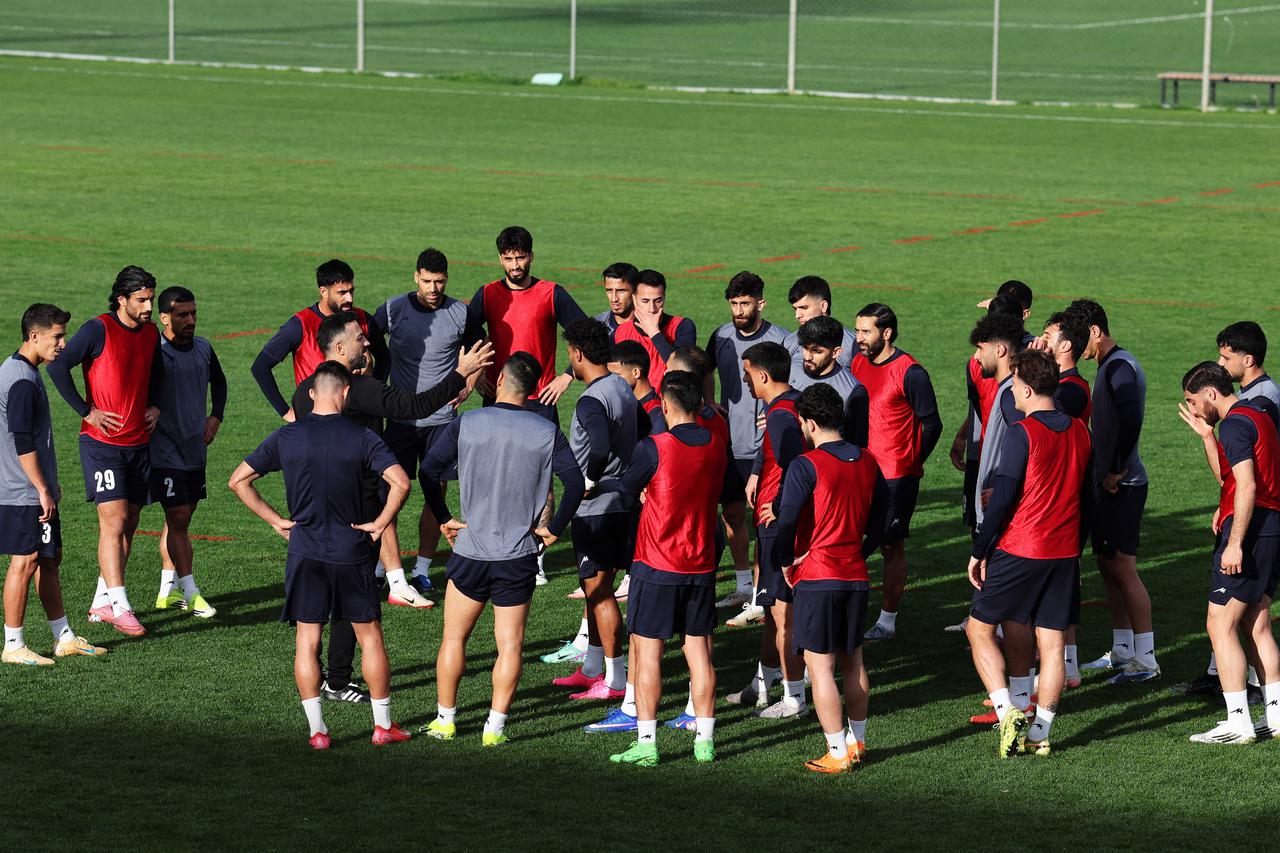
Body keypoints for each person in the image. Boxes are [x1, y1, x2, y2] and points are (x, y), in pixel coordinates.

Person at [291, 312, 492, 702]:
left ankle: (329, 686)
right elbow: (416, 406)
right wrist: (460, 373)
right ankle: (339, 682)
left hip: (315, 512)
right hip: (359, 511)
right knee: (356, 601)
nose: (366, 343)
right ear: (338, 348)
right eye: (358, 339)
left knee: (319, 610)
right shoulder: (359, 389)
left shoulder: (304, 392)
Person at [228, 361, 413, 749]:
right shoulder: (362, 436)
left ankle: (317, 732)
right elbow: (400, 482)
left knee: (307, 640)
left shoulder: (287, 436)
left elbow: (238, 480)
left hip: (305, 553)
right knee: (370, 637)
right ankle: (382, 727)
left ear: (312, 394)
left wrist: (275, 520)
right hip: (351, 551)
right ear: (345, 393)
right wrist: (379, 524)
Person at [420, 352, 585, 746]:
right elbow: (575, 485)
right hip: (518, 556)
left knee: (453, 639)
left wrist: (444, 516)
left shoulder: (468, 422)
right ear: (531, 391)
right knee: (510, 645)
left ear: (500, 382)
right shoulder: (546, 431)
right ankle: (494, 729)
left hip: (470, 552)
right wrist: (553, 529)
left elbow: (428, 469)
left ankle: (445, 719)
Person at [966, 350, 1092, 759]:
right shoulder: (1080, 431)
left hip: (1021, 546)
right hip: (1064, 551)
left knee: (978, 628)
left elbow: (1003, 498)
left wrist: (979, 548)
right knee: (1052, 644)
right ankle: (1040, 733)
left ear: (1024, 386)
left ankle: (1007, 713)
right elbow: (1084, 495)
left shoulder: (1023, 431)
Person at [606, 371, 728, 767]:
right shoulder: (717, 445)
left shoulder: (654, 446)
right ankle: (705, 743)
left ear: (666, 403)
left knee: (648, 654)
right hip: (701, 565)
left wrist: (644, 491)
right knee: (700, 654)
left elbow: (626, 491)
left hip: (657, 564)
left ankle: (646, 743)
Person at [774, 383, 888, 772]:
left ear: (807, 423)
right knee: (854, 661)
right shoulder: (869, 460)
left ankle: (837, 752)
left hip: (819, 576)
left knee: (820, 667)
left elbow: (786, 519)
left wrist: (786, 561)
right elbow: (883, 521)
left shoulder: (806, 465)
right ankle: (857, 742)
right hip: (856, 574)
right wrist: (860, 549)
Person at [47, 265, 165, 638]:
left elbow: (159, 371)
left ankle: (102, 600)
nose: (149, 307)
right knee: (113, 523)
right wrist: (87, 411)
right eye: (142, 300)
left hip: (138, 444)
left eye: (151, 299)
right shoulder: (98, 329)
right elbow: (58, 367)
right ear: (122, 300)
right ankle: (121, 606)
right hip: (102, 445)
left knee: (129, 524)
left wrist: (156, 404)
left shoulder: (149, 333)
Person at [368, 248, 480, 598]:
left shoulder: (460, 312)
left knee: (437, 496)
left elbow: (482, 350)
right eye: (427, 281)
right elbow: (366, 346)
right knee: (391, 495)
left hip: (442, 422)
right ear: (415, 276)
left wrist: (469, 384)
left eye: (440, 281)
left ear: (447, 279)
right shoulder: (392, 309)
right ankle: (384, 568)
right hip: (400, 419)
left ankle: (423, 569)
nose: (433, 288)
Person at [1178, 362, 1280, 744]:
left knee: (1219, 625)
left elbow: (1247, 486)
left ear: (1209, 394)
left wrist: (1235, 543)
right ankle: (1276, 715)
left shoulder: (1235, 425)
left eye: (1193, 400)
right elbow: (1228, 478)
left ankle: (1237, 721)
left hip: (1250, 532)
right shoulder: (1258, 412)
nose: (1192, 407)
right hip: (1273, 529)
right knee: (1257, 625)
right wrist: (1207, 437)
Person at [1, 304, 106, 665]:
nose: (63, 344)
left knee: (49, 557)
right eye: (57, 336)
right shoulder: (20, 380)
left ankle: (64, 636)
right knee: (25, 560)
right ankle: (13, 644)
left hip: (33, 488)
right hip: (22, 491)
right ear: (34, 336)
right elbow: (22, 442)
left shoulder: (26, 372)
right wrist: (42, 489)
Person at [1066, 299, 1160, 684]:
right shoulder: (1110, 365)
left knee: (1123, 567)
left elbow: (1132, 418)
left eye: (1079, 337)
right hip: (1111, 481)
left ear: (1095, 331)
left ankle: (1148, 659)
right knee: (1108, 565)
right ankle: (1123, 651)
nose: (1075, 345)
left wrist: (1116, 470)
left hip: (1123, 483)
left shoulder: (1120, 367)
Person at [550, 320, 637, 702]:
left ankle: (616, 680)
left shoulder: (590, 400)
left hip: (596, 509)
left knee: (600, 593)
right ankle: (591, 668)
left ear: (578, 354)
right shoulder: (622, 385)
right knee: (592, 588)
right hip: (621, 505)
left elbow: (598, 447)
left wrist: (587, 481)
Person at [850, 303, 942, 640]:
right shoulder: (858, 362)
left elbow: (932, 424)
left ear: (886, 333)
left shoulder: (910, 372)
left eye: (865, 332)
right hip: (859, 471)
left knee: (890, 546)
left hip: (894, 477)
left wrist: (910, 461)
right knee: (851, 541)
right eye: (857, 330)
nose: (858, 338)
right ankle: (850, 609)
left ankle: (886, 621)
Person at [725, 341, 807, 718]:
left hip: (776, 524)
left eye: (746, 372)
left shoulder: (779, 415)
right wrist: (758, 468)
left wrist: (778, 505)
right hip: (778, 518)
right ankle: (763, 682)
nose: (744, 378)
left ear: (761, 375)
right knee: (773, 606)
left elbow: (795, 464)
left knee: (782, 614)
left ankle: (794, 697)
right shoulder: (791, 404)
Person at [705, 271, 789, 625]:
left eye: (745, 303)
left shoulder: (781, 341)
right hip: (728, 443)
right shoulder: (721, 336)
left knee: (763, 520)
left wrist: (776, 414)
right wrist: (710, 401)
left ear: (761, 303)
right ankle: (742, 586)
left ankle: (760, 594)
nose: (739, 310)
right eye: (734, 303)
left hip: (762, 449)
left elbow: (792, 386)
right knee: (733, 515)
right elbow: (705, 369)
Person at [964, 312, 1035, 726]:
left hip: (1004, 520)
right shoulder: (1013, 389)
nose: (978, 357)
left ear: (1001, 349)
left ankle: (1009, 704)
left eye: (982, 349)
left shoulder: (1012, 396)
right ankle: (1020, 698)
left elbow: (1028, 446)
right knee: (1014, 616)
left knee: (986, 623)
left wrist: (1007, 494)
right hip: (1010, 516)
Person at [150, 286, 226, 619]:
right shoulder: (154, 351)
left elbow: (219, 383)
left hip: (195, 449)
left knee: (182, 517)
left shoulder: (204, 349)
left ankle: (167, 590)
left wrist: (216, 415)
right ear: (163, 317)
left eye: (193, 313)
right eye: (183, 315)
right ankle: (192, 592)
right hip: (164, 450)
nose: (191, 320)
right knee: (178, 518)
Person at [251, 259, 387, 419]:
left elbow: (385, 357)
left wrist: (374, 394)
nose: (349, 298)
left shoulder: (363, 319)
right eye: (342, 293)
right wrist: (286, 412)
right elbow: (260, 366)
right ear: (323, 291)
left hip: (359, 422)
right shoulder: (301, 325)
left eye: (351, 291)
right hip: (315, 423)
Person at [1039, 310, 1092, 689]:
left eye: (1047, 336)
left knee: (1055, 591)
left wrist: (1028, 371)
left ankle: (1055, 671)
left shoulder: (1070, 389)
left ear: (1066, 345)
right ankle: (1067, 667)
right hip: (1061, 498)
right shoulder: (1063, 384)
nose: (1042, 340)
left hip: (1064, 501)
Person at [612, 269, 697, 390]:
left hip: (669, 407)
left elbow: (683, 369)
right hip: (635, 406)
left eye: (658, 300)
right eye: (645, 301)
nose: (652, 309)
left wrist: (654, 333)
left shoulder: (682, 326)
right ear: (634, 299)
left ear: (664, 298)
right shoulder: (621, 332)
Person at [791, 316, 868, 446]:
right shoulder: (790, 369)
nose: (807, 356)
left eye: (816, 351)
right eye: (805, 348)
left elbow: (856, 445)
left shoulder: (852, 391)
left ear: (836, 352)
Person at [782, 275, 857, 376]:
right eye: (795, 309)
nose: (797, 315)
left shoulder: (853, 345)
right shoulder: (789, 342)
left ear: (823, 306)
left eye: (804, 308)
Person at [609, 340, 665, 440]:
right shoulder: (627, 403)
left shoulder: (655, 414)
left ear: (636, 373)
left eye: (616, 376)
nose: (611, 381)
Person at [596, 263, 638, 335]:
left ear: (635, 290)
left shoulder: (652, 327)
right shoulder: (597, 326)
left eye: (621, 291)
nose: (614, 299)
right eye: (609, 290)